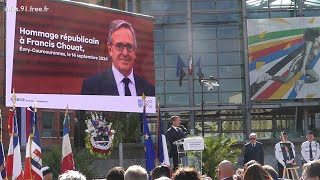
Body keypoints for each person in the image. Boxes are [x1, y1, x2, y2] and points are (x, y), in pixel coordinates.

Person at [81, 19, 155, 96]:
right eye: (119, 46)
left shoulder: (149, 89)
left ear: (135, 51)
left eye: (129, 46)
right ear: (110, 49)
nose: (125, 53)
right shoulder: (92, 87)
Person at [256, 28, 320, 92]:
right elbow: (306, 55)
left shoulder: (319, 45)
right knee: (285, 80)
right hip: (299, 62)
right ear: (316, 38)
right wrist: (303, 67)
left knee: (316, 78)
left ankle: (299, 82)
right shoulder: (310, 43)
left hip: (306, 65)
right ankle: (267, 77)